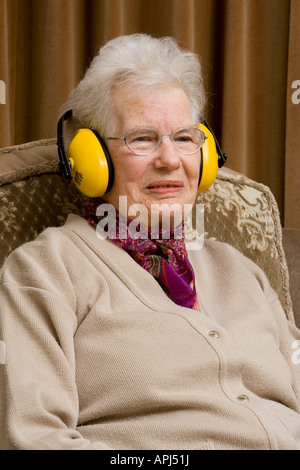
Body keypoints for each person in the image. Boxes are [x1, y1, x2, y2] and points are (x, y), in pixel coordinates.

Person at [0, 34, 300, 451]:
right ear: (91, 159)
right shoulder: (45, 271)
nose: (170, 159)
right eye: (141, 138)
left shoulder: (240, 270)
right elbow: (35, 437)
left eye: (184, 137)